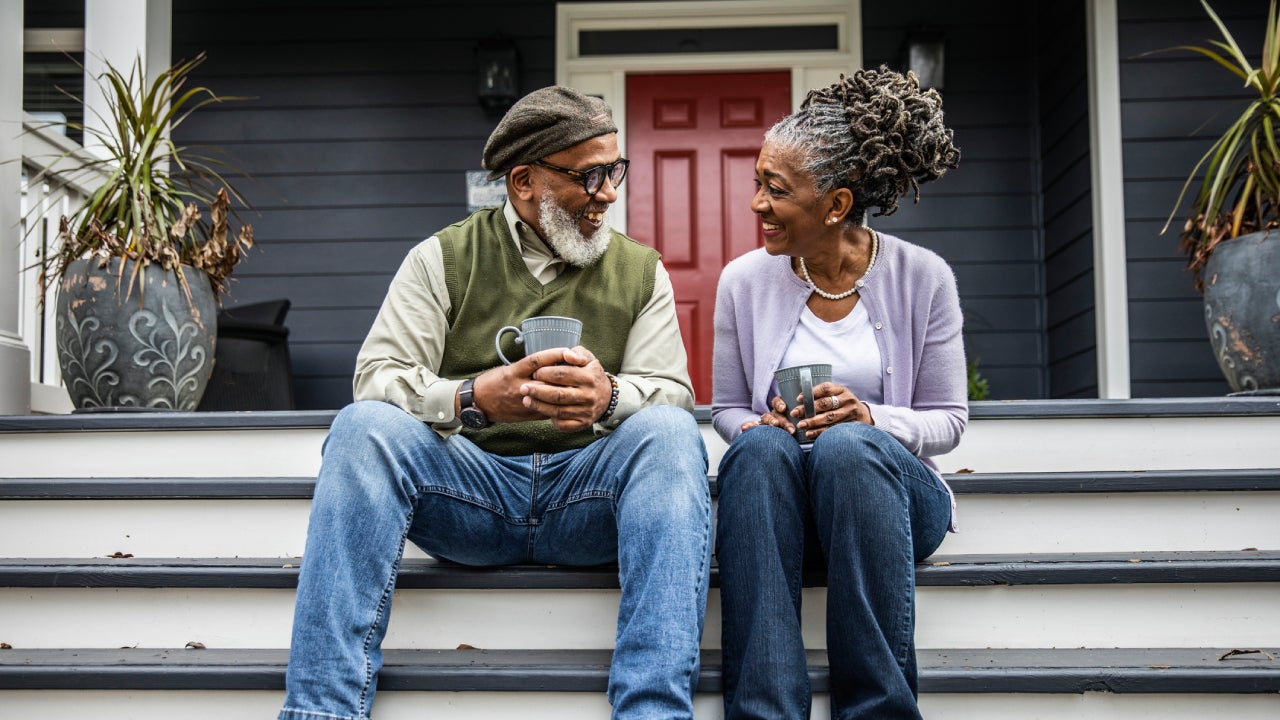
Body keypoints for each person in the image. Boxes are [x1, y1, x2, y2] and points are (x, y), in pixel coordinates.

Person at [278, 86, 711, 720]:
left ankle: (652, 713)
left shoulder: (642, 272)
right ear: (524, 182)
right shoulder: (442, 258)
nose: (609, 194)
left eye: (614, 170)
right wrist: (471, 398)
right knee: (362, 428)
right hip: (469, 499)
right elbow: (375, 378)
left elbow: (673, 391)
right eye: (589, 176)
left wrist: (611, 395)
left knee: (672, 433)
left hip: (589, 500)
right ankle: (322, 711)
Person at [711, 66, 966, 719]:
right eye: (757, 183)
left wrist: (874, 417)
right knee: (756, 456)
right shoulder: (743, 283)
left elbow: (949, 421)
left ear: (836, 205)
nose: (756, 204)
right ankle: (765, 710)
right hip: (785, 500)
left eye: (776, 189)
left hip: (890, 503)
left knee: (850, 447)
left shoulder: (924, 277)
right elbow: (727, 408)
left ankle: (877, 709)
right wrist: (753, 426)